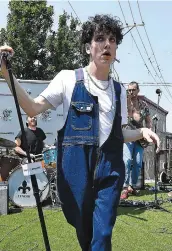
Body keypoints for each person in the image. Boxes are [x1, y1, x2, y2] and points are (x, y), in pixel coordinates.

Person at [0, 14, 160, 251]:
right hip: (75, 170)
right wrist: (6, 72)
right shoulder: (68, 79)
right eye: (100, 38)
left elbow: (117, 134)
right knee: (85, 232)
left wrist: (142, 131)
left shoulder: (119, 91)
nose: (107, 44)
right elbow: (32, 108)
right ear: (88, 47)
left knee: (103, 234)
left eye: (112, 40)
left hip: (110, 169)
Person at [121, 81, 152, 200]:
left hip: (140, 137)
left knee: (138, 163)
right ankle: (124, 187)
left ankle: (132, 186)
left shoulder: (144, 105)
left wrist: (148, 131)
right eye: (129, 90)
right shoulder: (125, 104)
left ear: (138, 90)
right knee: (127, 160)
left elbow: (148, 121)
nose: (130, 92)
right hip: (128, 135)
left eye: (133, 90)